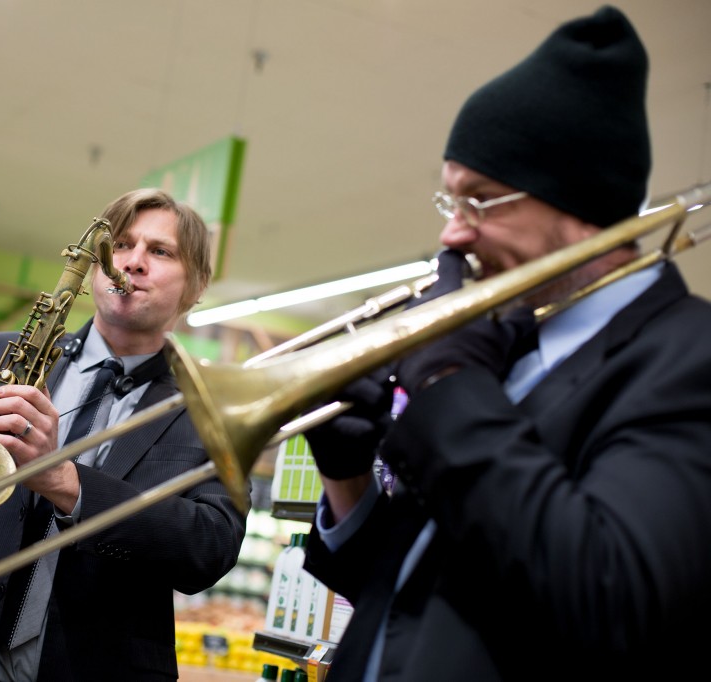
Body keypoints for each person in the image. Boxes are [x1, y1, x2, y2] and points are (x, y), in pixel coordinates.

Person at [301, 6, 711, 681]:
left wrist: (447, 385)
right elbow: (406, 594)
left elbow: (611, 599)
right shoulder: (514, 347)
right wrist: (346, 475)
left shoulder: (686, 357)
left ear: (578, 207)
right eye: (450, 205)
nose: (452, 237)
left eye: (481, 201)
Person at [0, 188, 249, 681]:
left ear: (196, 286)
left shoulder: (216, 407)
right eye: (121, 244)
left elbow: (210, 548)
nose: (134, 262)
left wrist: (64, 479)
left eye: (160, 251)